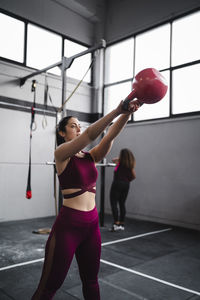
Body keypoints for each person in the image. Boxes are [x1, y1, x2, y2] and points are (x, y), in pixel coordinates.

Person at [31, 99, 140, 300]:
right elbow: (92, 134)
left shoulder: (91, 156)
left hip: (91, 226)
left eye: (79, 126)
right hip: (68, 227)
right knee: (49, 287)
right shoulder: (61, 154)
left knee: (91, 282)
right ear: (62, 133)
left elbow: (110, 135)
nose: (79, 129)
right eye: (73, 126)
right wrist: (117, 110)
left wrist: (128, 113)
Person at [110, 148, 136, 232]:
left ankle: (116, 224)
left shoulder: (120, 163)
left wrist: (120, 158)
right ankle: (121, 224)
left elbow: (113, 160)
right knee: (122, 203)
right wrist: (126, 181)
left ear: (122, 156)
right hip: (126, 184)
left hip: (117, 183)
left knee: (114, 203)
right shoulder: (130, 164)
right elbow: (133, 176)